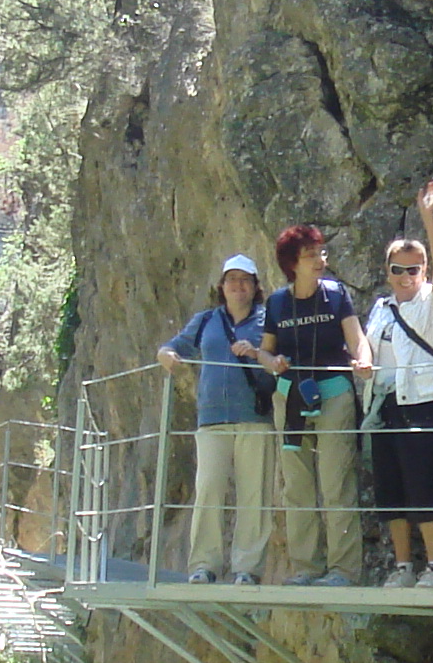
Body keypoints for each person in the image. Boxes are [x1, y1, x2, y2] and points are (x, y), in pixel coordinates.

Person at [258, 222, 371, 584]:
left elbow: (357, 338)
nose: (320, 260)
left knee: (337, 480)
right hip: (290, 396)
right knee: (297, 484)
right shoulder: (276, 302)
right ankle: (305, 568)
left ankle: (343, 569)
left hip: (335, 391)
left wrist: (363, 360)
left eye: (321, 253)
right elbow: (265, 350)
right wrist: (271, 363)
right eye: (310, 255)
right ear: (292, 263)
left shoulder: (337, 296)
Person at [365, 180, 433, 588]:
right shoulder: (380, 309)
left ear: (423, 272)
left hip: (425, 402)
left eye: (413, 269)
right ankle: (404, 566)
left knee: (424, 484)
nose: (406, 276)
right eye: (397, 269)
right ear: (386, 273)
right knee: (390, 488)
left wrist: (428, 217)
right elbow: (369, 348)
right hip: (385, 407)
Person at [155, 255, 273, 583]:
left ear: (255, 287)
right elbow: (176, 346)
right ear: (221, 287)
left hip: (255, 417)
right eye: (231, 279)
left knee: (255, 495)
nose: (238, 285)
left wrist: (257, 353)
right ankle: (203, 565)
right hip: (212, 420)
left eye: (245, 280)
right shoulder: (206, 320)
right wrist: (164, 353)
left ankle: (247, 569)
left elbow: (281, 357)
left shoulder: (268, 320)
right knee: (208, 490)